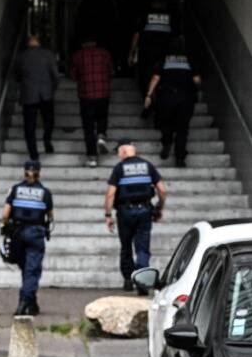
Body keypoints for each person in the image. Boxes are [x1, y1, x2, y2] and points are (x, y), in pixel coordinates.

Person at [103, 141, 167, 293]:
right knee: (142, 249)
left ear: (124, 151)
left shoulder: (119, 168)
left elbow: (111, 193)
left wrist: (108, 215)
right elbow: (162, 190)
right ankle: (142, 283)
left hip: (125, 212)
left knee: (126, 247)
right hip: (144, 210)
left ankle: (127, 280)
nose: (118, 155)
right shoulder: (148, 166)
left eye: (118, 151)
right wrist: (159, 208)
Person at [0, 158, 54, 317]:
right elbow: (50, 216)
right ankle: (24, 302)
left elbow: (5, 214)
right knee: (32, 270)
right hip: (35, 234)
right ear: (39, 172)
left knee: (26, 268)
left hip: (17, 233)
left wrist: (4, 227)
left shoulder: (15, 190)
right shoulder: (45, 193)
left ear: (24, 171)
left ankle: (32, 302)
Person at [144, 39, 202, 168]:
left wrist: (149, 95)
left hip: (166, 97)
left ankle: (167, 143)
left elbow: (155, 78)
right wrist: (196, 88)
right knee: (182, 129)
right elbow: (197, 80)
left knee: (166, 123)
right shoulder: (189, 61)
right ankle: (180, 159)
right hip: (186, 98)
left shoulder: (164, 60)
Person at [13, 32, 63, 161]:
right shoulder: (48, 55)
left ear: (28, 43)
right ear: (39, 43)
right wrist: (52, 88)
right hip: (46, 94)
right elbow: (56, 76)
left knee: (29, 126)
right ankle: (47, 141)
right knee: (49, 120)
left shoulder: (21, 56)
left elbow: (17, 76)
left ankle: (33, 154)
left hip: (28, 95)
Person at [69, 35, 114, 168]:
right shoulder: (105, 54)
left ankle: (92, 158)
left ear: (83, 44)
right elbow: (111, 72)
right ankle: (101, 135)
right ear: (95, 42)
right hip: (103, 93)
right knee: (102, 117)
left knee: (88, 128)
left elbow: (73, 75)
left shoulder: (78, 55)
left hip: (86, 95)